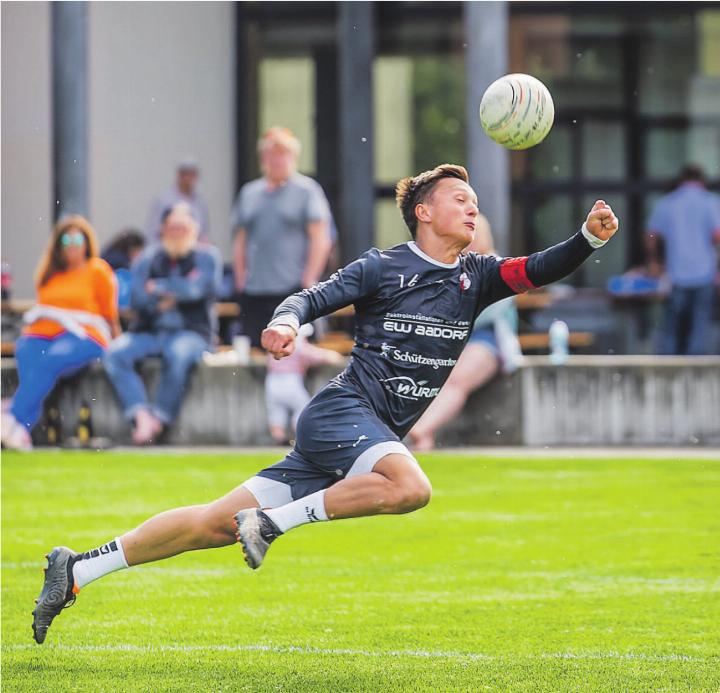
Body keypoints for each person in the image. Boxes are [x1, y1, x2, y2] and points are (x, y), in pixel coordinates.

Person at [31, 164, 618, 644]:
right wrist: (285, 322)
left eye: (475, 202)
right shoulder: (384, 265)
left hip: (354, 438)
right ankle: (271, 525)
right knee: (411, 487)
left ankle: (79, 568)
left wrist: (588, 237)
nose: (473, 209)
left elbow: (542, 267)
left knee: (211, 524)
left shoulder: (478, 276)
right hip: (342, 414)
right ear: (424, 211)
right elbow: (313, 296)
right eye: (460, 199)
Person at [103, 204, 221, 445]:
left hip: (192, 333)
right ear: (163, 229)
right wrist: (178, 291)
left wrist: (159, 287)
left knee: (176, 353)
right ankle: (140, 414)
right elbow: (138, 298)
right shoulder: (148, 257)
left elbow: (200, 291)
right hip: (151, 331)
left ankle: (159, 418)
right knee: (114, 353)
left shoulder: (208, 257)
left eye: (183, 227)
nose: (177, 232)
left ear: (194, 229)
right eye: (172, 227)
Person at [1, 216, 120, 451]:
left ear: (86, 242)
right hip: (44, 331)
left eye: (78, 238)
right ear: (58, 244)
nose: (73, 244)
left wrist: (116, 340)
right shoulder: (49, 273)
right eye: (67, 238)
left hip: (84, 334)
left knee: (51, 359)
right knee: (26, 351)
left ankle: (12, 418)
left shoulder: (97, 270)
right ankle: (20, 428)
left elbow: (109, 314)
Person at [408, 213, 522, 451]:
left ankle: (422, 430)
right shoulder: (443, 267)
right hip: (446, 340)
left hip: (486, 340)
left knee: (456, 380)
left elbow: (484, 314)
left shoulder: (496, 267)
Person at [231, 127, 332, 347]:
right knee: (257, 352)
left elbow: (321, 238)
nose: (276, 160)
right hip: (255, 290)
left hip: (293, 290)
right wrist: (241, 278)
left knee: (295, 351)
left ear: (293, 157)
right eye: (271, 154)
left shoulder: (307, 191)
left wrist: (309, 278)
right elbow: (240, 239)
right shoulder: (249, 193)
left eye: (282, 153)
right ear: (262, 158)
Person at [645, 164, 720, 355]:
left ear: (681, 180)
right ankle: (696, 371)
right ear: (701, 180)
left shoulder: (668, 202)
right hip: (704, 273)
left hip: (675, 274)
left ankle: (668, 370)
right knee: (699, 327)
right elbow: (717, 235)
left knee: (671, 328)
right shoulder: (711, 202)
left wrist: (654, 262)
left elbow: (651, 236)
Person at [265, 324, 344, 444]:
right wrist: (336, 357)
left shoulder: (277, 346)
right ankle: (299, 436)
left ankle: (278, 438)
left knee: (277, 410)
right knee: (302, 408)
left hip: (272, 380)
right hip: (290, 380)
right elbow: (320, 356)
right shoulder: (298, 345)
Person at [146, 160, 210, 242]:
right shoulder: (164, 200)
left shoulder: (200, 203)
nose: (188, 178)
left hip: (194, 250)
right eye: (185, 174)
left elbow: (203, 232)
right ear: (179, 175)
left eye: (191, 175)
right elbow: (153, 231)